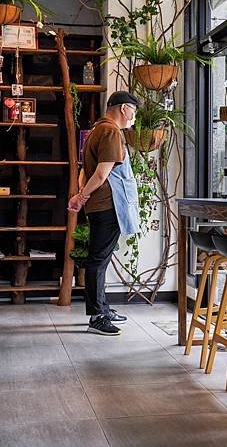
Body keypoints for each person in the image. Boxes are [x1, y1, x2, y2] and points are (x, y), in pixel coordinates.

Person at [68, 91, 141, 336]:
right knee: (98, 259)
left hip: (101, 205)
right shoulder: (111, 132)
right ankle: (97, 316)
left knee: (101, 258)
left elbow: (83, 171)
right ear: (123, 109)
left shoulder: (95, 131)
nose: (134, 116)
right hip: (108, 205)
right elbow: (100, 174)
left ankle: (103, 308)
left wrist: (82, 193)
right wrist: (81, 197)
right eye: (133, 110)